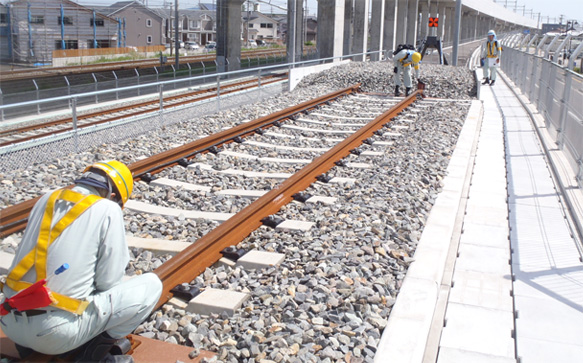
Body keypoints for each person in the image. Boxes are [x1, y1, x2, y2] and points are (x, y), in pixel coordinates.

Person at [0, 160, 162, 362]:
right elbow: (109, 282)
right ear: (113, 196)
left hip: (8, 321)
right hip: (56, 332)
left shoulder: (47, 198)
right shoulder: (108, 209)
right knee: (152, 285)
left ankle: (31, 346)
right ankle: (89, 356)